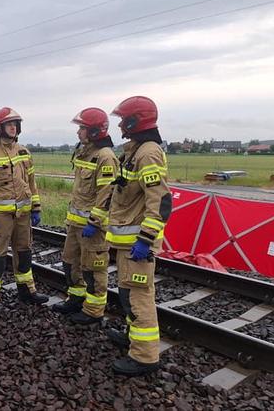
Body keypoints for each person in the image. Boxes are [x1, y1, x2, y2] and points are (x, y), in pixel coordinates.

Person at [105, 96, 172, 376]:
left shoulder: (147, 153)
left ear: (136, 121)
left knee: (139, 296)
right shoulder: (135, 151)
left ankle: (144, 356)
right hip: (128, 242)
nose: (119, 123)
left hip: (137, 242)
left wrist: (145, 239)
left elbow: (161, 201)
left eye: (123, 118)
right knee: (127, 294)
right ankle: (133, 338)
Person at [0, 107, 49, 318]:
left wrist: (36, 207)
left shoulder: (24, 151)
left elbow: (31, 183)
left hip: (24, 215)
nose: (13, 127)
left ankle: (27, 291)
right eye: (9, 124)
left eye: (16, 124)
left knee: (24, 253)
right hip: (0, 217)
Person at [50, 108, 119, 325]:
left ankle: (94, 310)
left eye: (82, 128)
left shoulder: (105, 156)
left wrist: (94, 221)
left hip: (92, 227)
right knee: (70, 263)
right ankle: (76, 299)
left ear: (95, 131)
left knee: (93, 269)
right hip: (75, 224)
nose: (78, 132)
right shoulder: (84, 152)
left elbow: (107, 194)